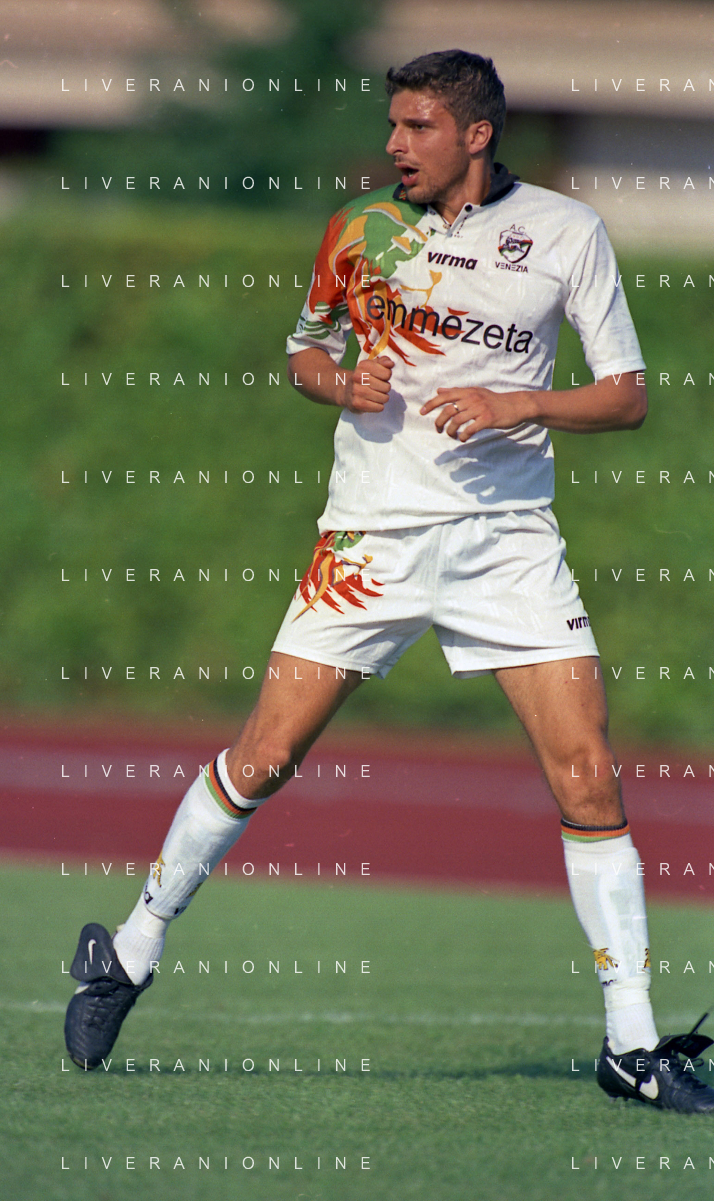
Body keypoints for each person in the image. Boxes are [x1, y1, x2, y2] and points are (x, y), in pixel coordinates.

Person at [64, 49, 713, 1112]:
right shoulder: (358, 229)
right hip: (369, 542)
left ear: (475, 134)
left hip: (507, 542)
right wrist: (340, 383)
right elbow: (304, 354)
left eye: (417, 127)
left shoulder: (566, 231)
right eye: (392, 125)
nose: (394, 145)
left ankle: (631, 1045)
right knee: (265, 755)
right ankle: (129, 950)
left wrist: (520, 404)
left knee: (589, 774)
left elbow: (627, 395)